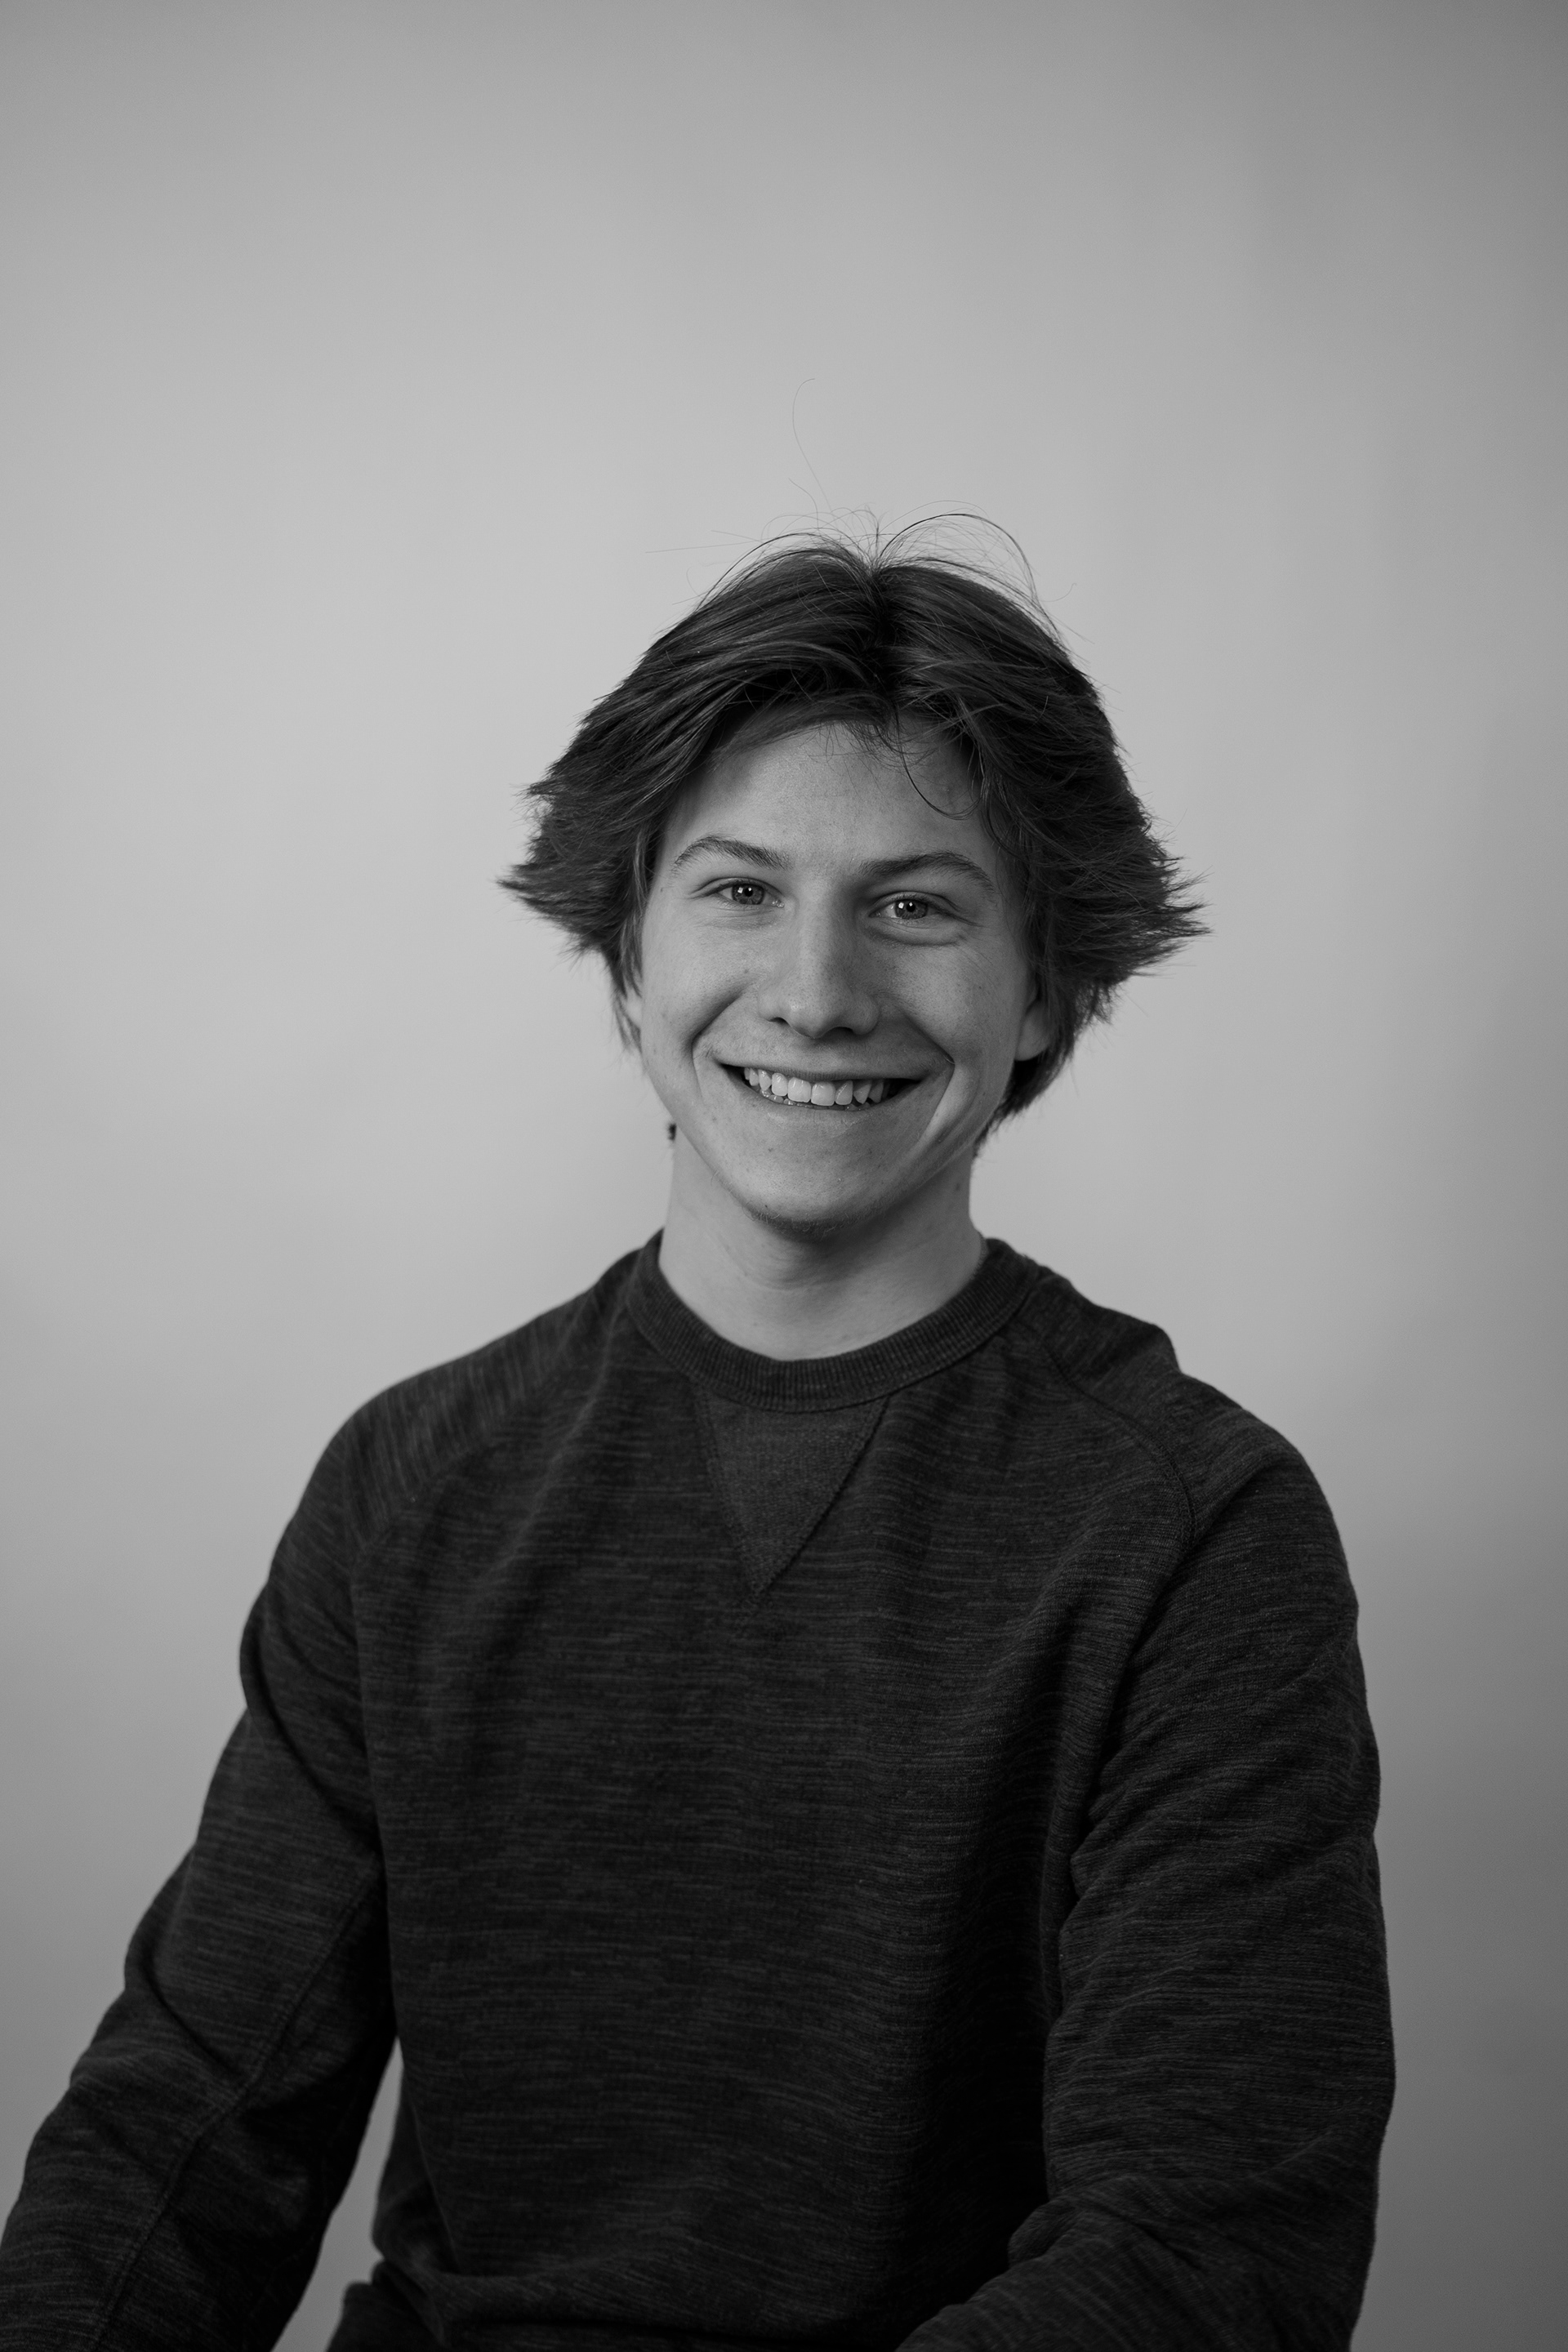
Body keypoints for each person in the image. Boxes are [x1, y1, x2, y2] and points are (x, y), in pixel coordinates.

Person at [0, 528, 1394, 2350]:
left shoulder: (1197, 1531)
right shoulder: (412, 1490)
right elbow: (185, 2136)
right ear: (625, 959)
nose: (816, 990)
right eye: (739, 890)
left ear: (1047, 985)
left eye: (918, 906)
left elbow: (1211, 2255)